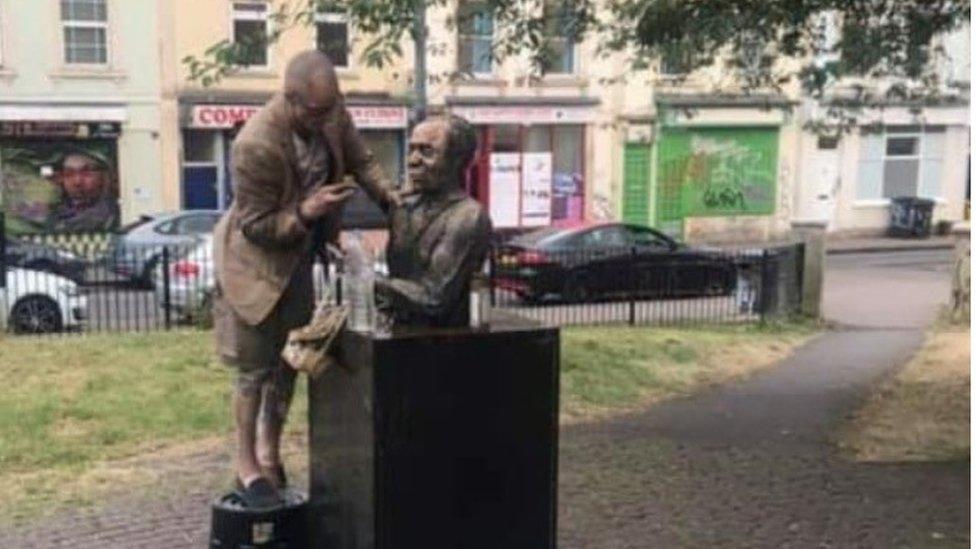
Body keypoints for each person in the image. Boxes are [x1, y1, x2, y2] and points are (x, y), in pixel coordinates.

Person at [213, 50, 399, 508]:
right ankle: (246, 465)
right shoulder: (255, 143)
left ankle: (270, 454)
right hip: (255, 265)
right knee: (254, 370)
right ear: (291, 99)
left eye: (331, 108)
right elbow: (256, 226)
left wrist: (391, 199)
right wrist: (306, 210)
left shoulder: (331, 113)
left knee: (290, 363)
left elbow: (363, 159)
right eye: (315, 112)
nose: (325, 120)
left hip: (303, 260)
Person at [376, 115, 492, 327]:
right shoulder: (403, 208)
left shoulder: (468, 217)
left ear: (457, 160)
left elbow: (433, 298)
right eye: (411, 150)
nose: (413, 160)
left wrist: (366, 282)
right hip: (400, 333)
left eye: (427, 152)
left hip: (444, 343)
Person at [51, 150, 120, 232]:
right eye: (69, 174)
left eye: (86, 173)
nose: (77, 182)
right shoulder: (53, 216)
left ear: (104, 177)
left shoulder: (115, 214)